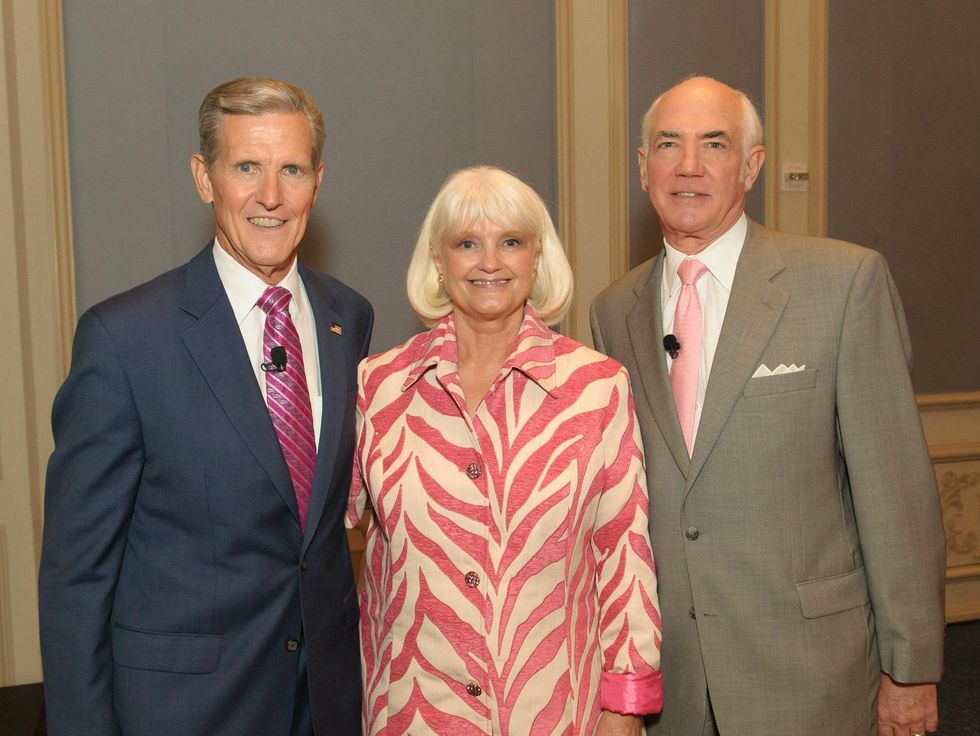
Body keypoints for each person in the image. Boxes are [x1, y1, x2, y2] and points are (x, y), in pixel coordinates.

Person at [590, 76, 946, 736]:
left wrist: (911, 667)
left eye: (715, 145)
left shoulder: (842, 283)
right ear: (644, 168)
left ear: (752, 165)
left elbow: (894, 494)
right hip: (676, 681)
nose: (689, 166)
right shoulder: (614, 311)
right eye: (669, 144)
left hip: (810, 675)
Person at [39, 77, 372, 735]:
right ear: (204, 177)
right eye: (246, 167)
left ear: (318, 181)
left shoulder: (347, 319)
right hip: (183, 713)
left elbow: (319, 540)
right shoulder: (125, 339)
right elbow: (75, 581)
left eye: (292, 170)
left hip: (325, 705)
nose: (270, 196)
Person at [347, 165, 663, 735]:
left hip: (558, 713)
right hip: (411, 713)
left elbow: (624, 557)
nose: (489, 262)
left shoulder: (595, 387)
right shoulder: (380, 385)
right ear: (438, 262)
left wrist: (626, 709)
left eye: (510, 242)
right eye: (467, 243)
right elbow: (315, 538)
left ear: (537, 258)